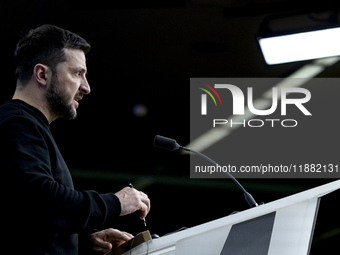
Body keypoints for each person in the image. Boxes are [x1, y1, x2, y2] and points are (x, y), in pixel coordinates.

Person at [0, 24, 151, 254]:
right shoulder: (16, 123)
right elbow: (43, 201)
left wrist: (81, 240)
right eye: (77, 73)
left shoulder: (27, 125)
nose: (86, 87)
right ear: (42, 74)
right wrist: (116, 203)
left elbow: (25, 215)